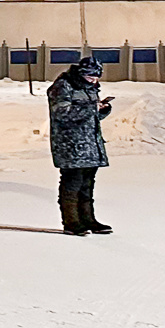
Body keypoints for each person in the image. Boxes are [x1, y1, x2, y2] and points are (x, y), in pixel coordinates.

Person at [48, 56, 115, 236]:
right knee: (72, 183)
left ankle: (88, 219)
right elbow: (61, 113)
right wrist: (92, 108)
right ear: (81, 73)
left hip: (90, 145)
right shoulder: (63, 86)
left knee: (87, 184)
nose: (94, 81)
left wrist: (102, 110)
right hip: (70, 144)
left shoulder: (90, 88)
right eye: (90, 77)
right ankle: (71, 222)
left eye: (97, 78)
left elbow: (88, 116)